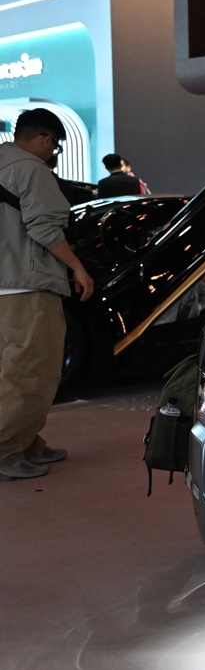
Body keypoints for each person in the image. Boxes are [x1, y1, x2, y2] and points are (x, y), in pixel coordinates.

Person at [0, 108, 96, 480]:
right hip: (27, 285)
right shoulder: (32, 170)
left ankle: (26, 441)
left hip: (4, 286)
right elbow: (44, 228)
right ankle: (6, 451)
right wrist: (77, 267)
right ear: (46, 139)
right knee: (32, 374)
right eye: (55, 145)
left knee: (10, 371)